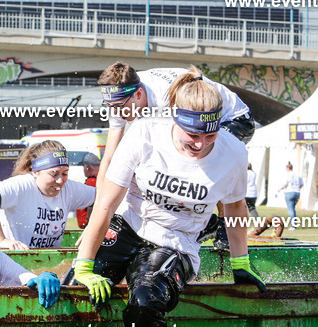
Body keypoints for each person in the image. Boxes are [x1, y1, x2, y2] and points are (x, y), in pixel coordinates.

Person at [72, 72, 266, 327]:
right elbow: (105, 205)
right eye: (192, 136)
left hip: (175, 243)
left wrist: (240, 261)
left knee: (145, 302)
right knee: (69, 292)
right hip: (126, 226)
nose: (200, 145)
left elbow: (235, 205)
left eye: (209, 137)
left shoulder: (231, 152)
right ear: (174, 119)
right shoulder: (144, 133)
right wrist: (83, 265)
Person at [95, 63, 254, 249]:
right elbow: (109, 158)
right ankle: (208, 223)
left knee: (202, 160)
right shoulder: (120, 100)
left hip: (235, 119)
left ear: (138, 95)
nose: (118, 113)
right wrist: (99, 214)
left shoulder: (165, 101)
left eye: (120, 108)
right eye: (113, 108)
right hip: (200, 120)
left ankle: (221, 225)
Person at [0, 141, 95, 250]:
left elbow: (104, 199)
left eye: (65, 173)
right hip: (9, 261)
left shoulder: (69, 188)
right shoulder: (23, 184)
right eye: (54, 174)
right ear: (36, 172)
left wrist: (91, 227)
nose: (60, 181)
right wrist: (2, 240)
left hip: (47, 263)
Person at [76, 153, 100, 229]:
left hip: (90, 225)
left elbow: (91, 205)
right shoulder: (101, 179)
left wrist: (88, 221)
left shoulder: (91, 181)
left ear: (87, 167)